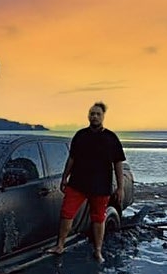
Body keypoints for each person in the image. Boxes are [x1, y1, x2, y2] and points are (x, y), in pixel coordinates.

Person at [51, 101, 126, 262]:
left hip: (101, 186)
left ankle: (98, 250)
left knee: (98, 218)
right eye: (92, 113)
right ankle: (60, 245)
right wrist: (64, 177)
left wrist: (120, 188)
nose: (95, 116)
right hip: (77, 183)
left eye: (98, 114)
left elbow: (118, 163)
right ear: (88, 116)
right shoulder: (80, 135)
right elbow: (71, 159)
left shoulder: (111, 138)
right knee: (66, 213)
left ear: (103, 116)